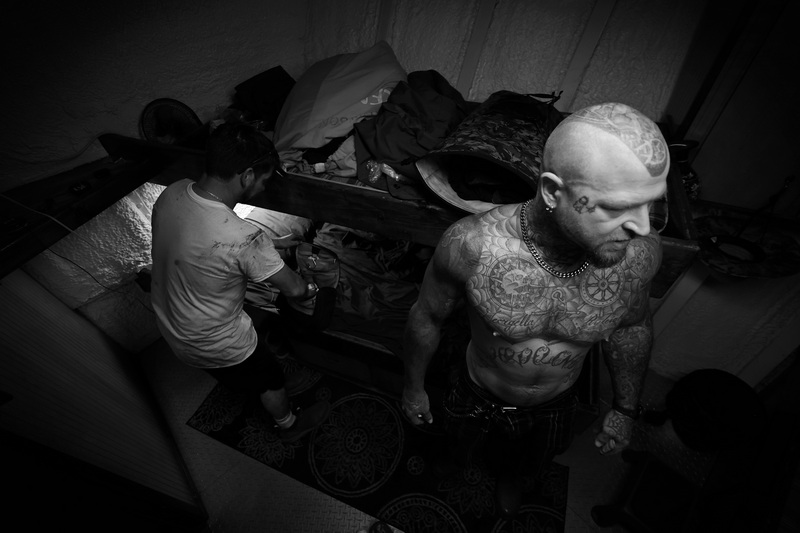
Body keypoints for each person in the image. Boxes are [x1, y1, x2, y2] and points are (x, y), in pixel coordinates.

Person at [400, 102, 669, 517]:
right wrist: (414, 387)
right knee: (454, 446)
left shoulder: (637, 257)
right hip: (477, 387)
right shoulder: (473, 245)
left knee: (529, 461)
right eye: (616, 207)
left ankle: (511, 477)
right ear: (551, 191)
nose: (644, 228)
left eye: (650, 204)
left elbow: (632, 327)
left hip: (559, 400)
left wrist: (624, 408)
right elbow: (427, 316)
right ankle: (451, 465)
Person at [151, 121, 331, 443]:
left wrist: (270, 250)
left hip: (169, 325)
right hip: (214, 341)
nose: (262, 188)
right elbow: (295, 289)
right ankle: (289, 425)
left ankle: (245, 381)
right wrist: (315, 287)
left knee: (241, 374)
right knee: (269, 376)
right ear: (247, 176)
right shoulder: (244, 236)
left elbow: (201, 244)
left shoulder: (173, 191)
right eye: (262, 180)